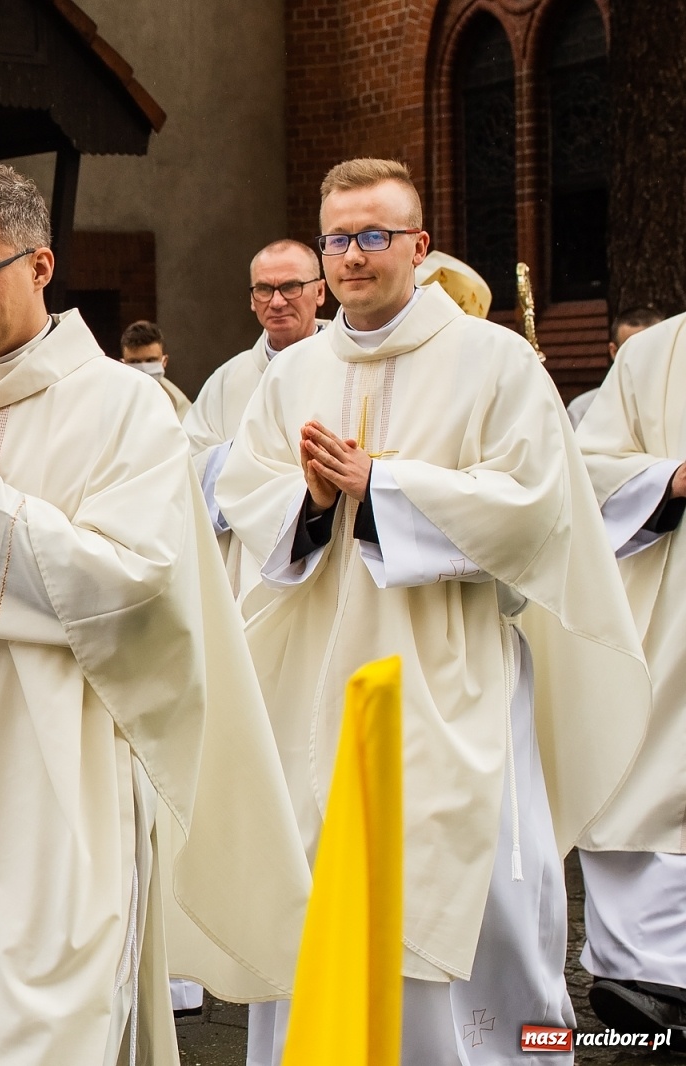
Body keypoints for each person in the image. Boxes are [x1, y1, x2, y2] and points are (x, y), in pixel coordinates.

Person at [0, 164, 309, 1065]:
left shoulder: (128, 410)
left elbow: (141, 582)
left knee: (56, 1018)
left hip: (62, 765)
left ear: (41, 264)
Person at [217, 158, 653, 1065]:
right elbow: (245, 491)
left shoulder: (493, 362)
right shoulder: (293, 374)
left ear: (418, 246)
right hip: (315, 687)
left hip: (451, 678)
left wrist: (382, 488)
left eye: (374, 236)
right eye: (338, 237)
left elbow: (537, 507)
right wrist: (307, 504)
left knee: (473, 898)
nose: (352, 256)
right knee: (317, 888)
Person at [575, 311, 686, 1037]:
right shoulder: (655, 354)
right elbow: (586, 468)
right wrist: (668, 479)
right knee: (652, 773)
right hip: (673, 599)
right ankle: (650, 978)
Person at [183, 239, 325, 598]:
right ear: (251, 299)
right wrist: (248, 457)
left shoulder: (345, 367)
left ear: (320, 292)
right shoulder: (226, 381)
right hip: (244, 566)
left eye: (291, 286)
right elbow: (183, 472)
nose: (276, 301)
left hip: (326, 557)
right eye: (264, 289)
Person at [567, 307, 666, 428]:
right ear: (614, 351)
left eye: (651, 349)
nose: (643, 359)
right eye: (632, 351)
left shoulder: (679, 404)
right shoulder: (583, 411)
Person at [119, 320, 191, 417]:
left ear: (164, 361)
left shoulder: (177, 403)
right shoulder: (111, 400)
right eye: (134, 362)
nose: (143, 368)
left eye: (150, 360)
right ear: (122, 365)